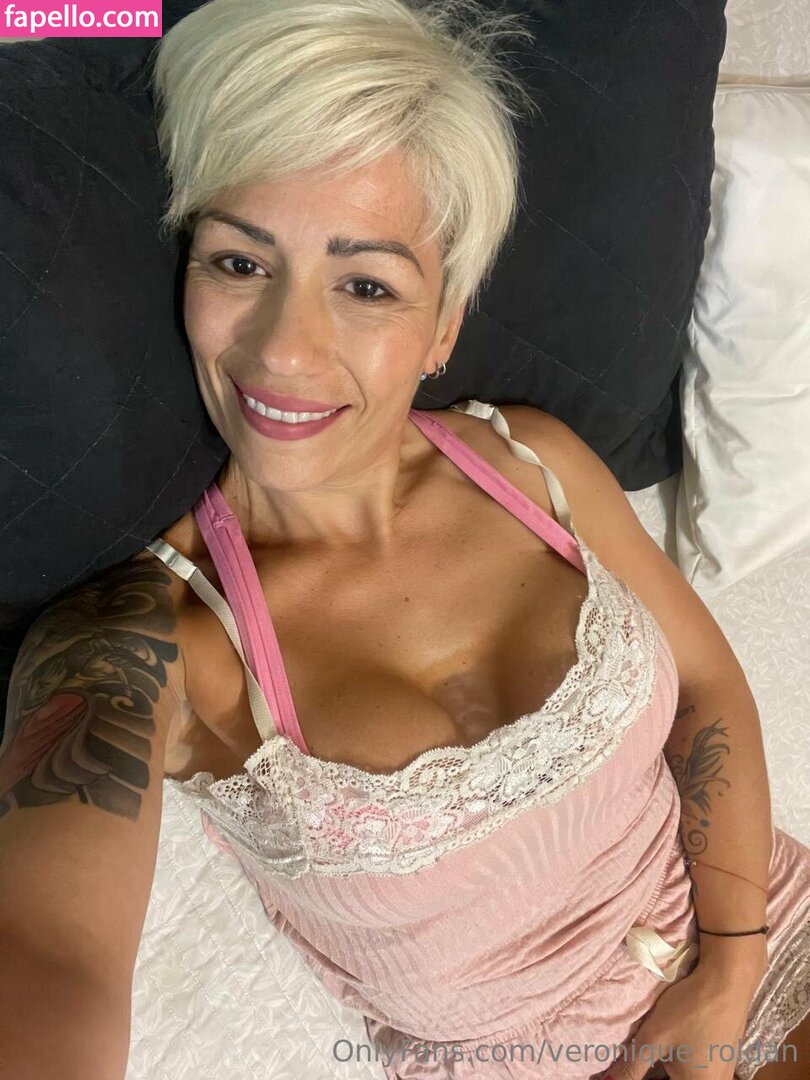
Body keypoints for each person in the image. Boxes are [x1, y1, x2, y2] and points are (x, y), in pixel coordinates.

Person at [0, 1, 807, 1078]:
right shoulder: (144, 642)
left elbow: (706, 689)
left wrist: (731, 970)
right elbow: (46, 955)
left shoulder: (531, 460)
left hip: (758, 923)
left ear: (443, 326)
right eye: (240, 264)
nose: (286, 350)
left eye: (367, 285)